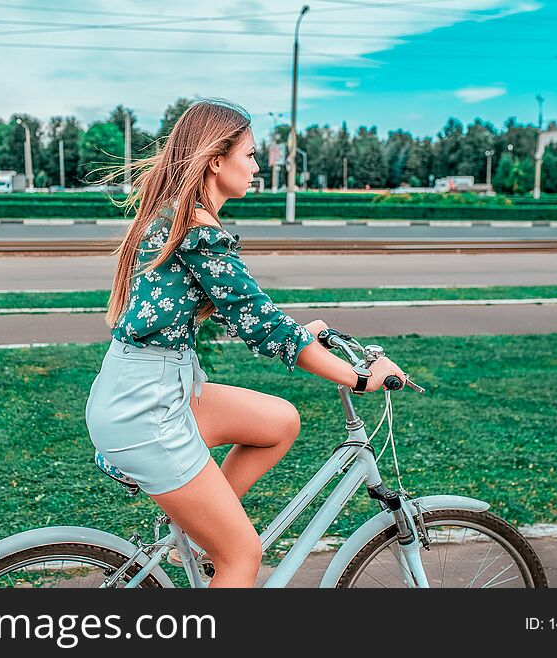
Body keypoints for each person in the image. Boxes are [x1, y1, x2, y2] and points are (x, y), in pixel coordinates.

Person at [85, 99, 406, 588]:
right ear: (217, 159)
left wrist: (302, 333)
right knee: (241, 555)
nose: (258, 166)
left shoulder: (175, 216)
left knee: (279, 421)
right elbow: (262, 325)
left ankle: (197, 536)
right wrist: (360, 377)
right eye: (252, 155)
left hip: (144, 388)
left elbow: (251, 315)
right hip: (146, 407)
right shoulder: (196, 228)